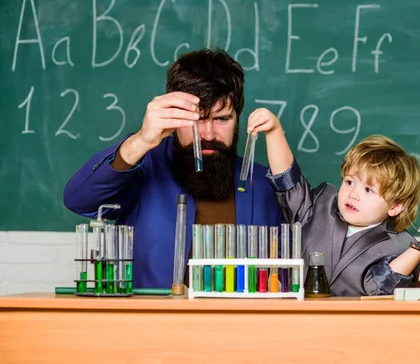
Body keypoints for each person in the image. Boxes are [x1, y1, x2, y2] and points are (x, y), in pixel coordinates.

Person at [64, 49, 282, 289]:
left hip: (237, 325)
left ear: (238, 118)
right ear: (174, 117)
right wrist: (141, 142)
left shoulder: (262, 184)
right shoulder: (144, 167)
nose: (208, 134)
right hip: (155, 325)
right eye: (197, 120)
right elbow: (79, 201)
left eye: (221, 119)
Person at [247, 108, 420, 296]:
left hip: (356, 330)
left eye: (368, 190)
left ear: (395, 206)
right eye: (349, 181)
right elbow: (288, 181)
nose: (353, 194)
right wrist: (274, 130)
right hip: (298, 322)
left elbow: (379, 287)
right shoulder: (320, 205)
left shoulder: (400, 246)